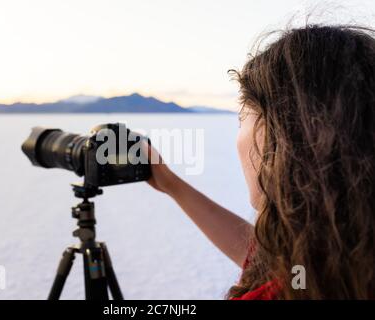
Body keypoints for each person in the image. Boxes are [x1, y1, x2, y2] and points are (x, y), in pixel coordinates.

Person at [146, 25, 375, 299]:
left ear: (280, 137)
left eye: (241, 120)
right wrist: (171, 184)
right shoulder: (335, 258)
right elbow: (273, 263)